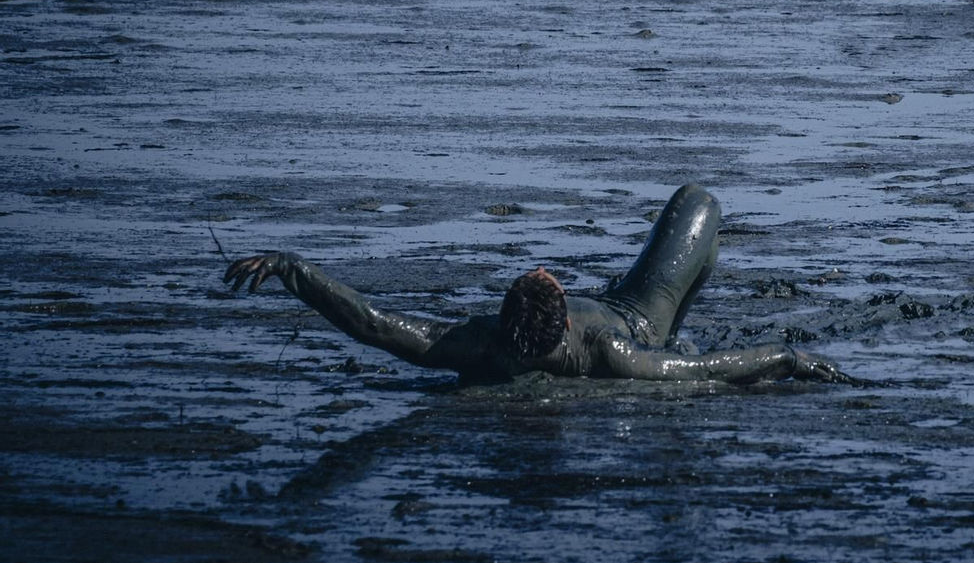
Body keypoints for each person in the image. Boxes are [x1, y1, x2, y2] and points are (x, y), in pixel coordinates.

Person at [224, 184, 854, 385]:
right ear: (564, 315)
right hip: (636, 316)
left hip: (602, 315)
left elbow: (373, 323)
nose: (541, 269)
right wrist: (787, 355)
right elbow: (706, 371)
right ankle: (679, 311)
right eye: (544, 278)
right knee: (698, 202)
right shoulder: (610, 351)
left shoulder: (476, 344)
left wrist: (292, 268)